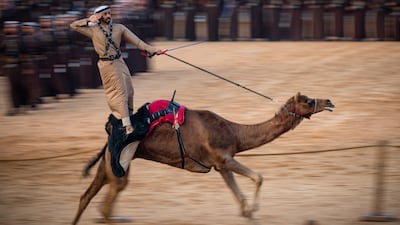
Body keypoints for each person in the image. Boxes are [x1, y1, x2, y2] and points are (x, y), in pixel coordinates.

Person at [70, 5, 165, 174]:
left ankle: (126, 117)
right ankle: (127, 126)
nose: (108, 15)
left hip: (119, 61)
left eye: (109, 13)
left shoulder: (119, 28)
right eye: (104, 14)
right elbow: (73, 26)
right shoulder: (92, 30)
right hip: (106, 64)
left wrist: (154, 50)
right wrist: (88, 20)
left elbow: (137, 42)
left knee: (130, 91)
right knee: (119, 92)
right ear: (98, 16)